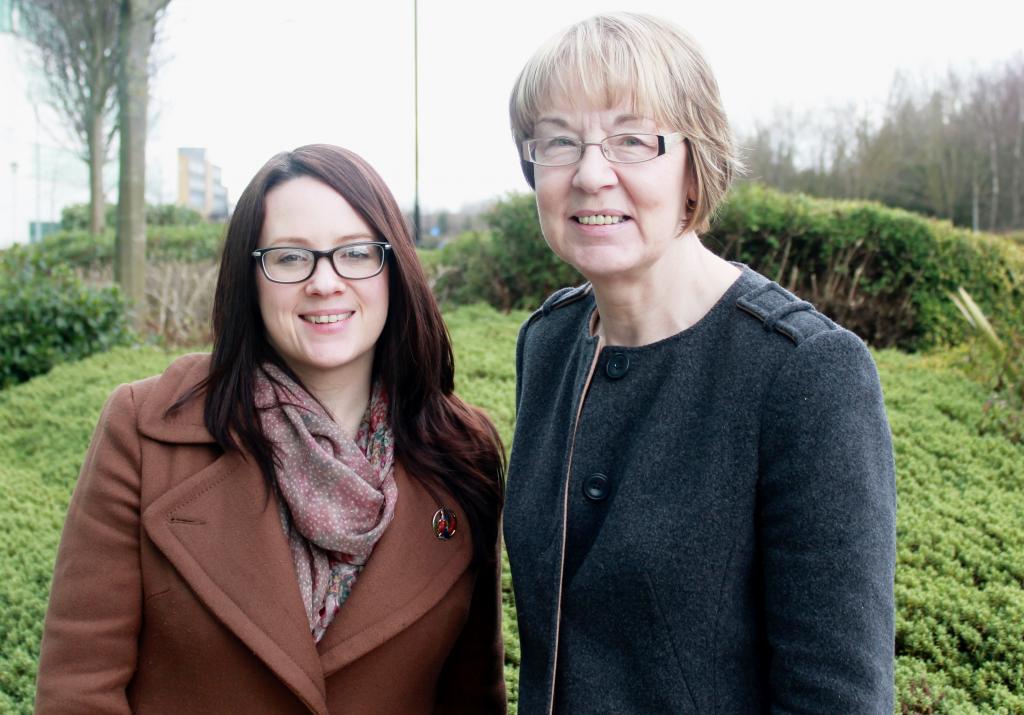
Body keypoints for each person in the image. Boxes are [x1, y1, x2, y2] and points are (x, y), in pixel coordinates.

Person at [503, 13, 896, 714]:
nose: (590, 174)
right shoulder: (548, 342)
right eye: (559, 141)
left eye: (632, 139)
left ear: (696, 164)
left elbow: (836, 696)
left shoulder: (804, 373)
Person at [35, 144, 506, 714]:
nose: (325, 282)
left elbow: (472, 696)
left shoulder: (461, 452)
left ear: (394, 269)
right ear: (251, 277)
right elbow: (79, 689)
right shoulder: (142, 432)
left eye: (356, 253)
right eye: (289, 258)